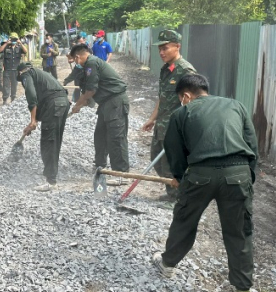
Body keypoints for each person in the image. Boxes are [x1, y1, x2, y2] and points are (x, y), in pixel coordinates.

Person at [153, 74, 259, 292]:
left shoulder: (182, 113)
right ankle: (242, 290)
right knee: (239, 229)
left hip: (200, 175)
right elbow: (251, 143)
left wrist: (181, 178)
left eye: (182, 98)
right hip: (237, 174)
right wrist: (248, 175)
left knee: (184, 220)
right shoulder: (236, 105)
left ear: (186, 96)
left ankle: (168, 265)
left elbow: (174, 151)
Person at [142, 29, 197, 198]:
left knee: (173, 163)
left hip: (175, 127)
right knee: (159, 161)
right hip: (162, 125)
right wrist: (152, 119)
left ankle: (177, 197)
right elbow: (163, 97)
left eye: (165, 48)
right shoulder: (166, 69)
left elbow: (194, 103)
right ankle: (173, 192)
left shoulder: (186, 71)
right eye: (160, 48)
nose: (161, 52)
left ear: (177, 47)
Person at [69, 43, 130, 178]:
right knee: (100, 136)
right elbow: (89, 92)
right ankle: (100, 165)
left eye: (75, 60)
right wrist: (81, 104)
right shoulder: (89, 65)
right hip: (105, 103)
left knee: (116, 137)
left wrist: (77, 105)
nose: (76, 64)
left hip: (115, 101)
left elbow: (91, 90)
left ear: (78, 57)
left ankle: (121, 173)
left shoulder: (91, 63)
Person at [18, 63, 70, 192]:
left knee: (48, 142)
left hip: (54, 104)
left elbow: (32, 97)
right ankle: (52, 178)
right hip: (62, 103)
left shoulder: (26, 74)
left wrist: (32, 120)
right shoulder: (41, 74)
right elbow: (44, 103)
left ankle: (51, 182)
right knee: (54, 141)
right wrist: (33, 123)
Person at [0, 33, 27, 104]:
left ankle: (13, 99)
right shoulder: (6, 47)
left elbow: (25, 51)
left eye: (15, 39)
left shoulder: (19, 47)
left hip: (15, 71)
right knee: (6, 86)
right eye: (12, 39)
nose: (14, 40)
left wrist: (20, 43)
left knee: (14, 85)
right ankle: (5, 99)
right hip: (7, 70)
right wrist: (6, 43)